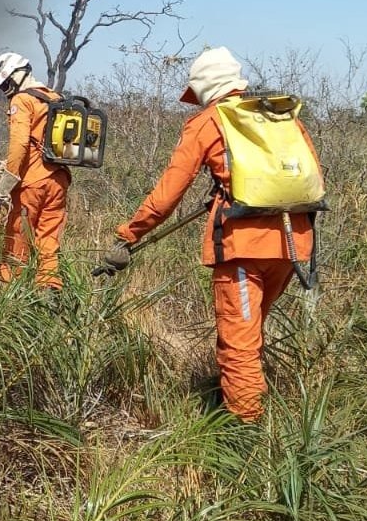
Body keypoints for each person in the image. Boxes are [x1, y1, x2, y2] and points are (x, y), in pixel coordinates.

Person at [102, 47, 317, 422]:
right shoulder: (282, 116)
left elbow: (166, 195)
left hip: (242, 248)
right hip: (293, 243)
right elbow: (312, 179)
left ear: (204, 88)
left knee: (238, 345)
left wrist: (129, 234)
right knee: (249, 334)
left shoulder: (208, 121)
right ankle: (238, 406)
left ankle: (244, 435)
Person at [0, 52, 71, 292]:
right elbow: (40, 144)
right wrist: (7, 164)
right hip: (59, 181)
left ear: (17, 74)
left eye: (6, 85)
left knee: (17, 238)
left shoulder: (22, 100)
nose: (6, 91)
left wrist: (6, 182)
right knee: (49, 240)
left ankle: (12, 296)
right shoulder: (55, 98)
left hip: (31, 185)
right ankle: (50, 288)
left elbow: (20, 144)